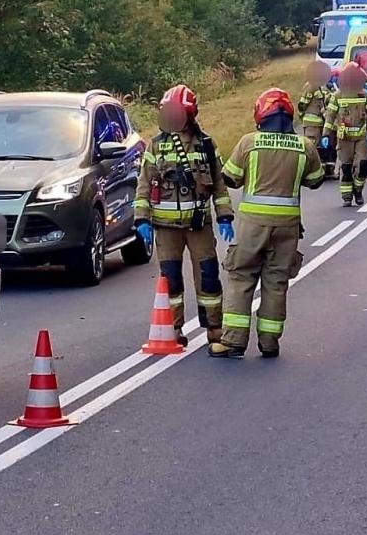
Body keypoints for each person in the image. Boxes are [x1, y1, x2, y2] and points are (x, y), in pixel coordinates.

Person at [211, 88, 326, 359]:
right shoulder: (304, 146)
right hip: (287, 228)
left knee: (241, 277)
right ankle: (270, 341)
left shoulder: (249, 143)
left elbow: (230, 178)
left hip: (253, 226)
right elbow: (316, 180)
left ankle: (233, 341)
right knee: (276, 282)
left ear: (260, 115)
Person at [133, 85, 233, 345]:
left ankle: (214, 329)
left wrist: (225, 215)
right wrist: (141, 219)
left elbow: (219, 185)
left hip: (199, 225)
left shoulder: (207, 145)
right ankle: (173, 330)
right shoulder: (155, 146)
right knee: (171, 279)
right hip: (166, 228)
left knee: (208, 275)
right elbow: (144, 184)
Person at [325, 62, 367, 207]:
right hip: (344, 138)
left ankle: (358, 190)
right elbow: (330, 116)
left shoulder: (364, 95)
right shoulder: (337, 95)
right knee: (346, 168)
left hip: (361, 138)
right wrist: (326, 135)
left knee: (362, 166)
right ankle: (347, 196)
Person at [297, 60, 335, 180]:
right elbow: (302, 105)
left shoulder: (324, 87)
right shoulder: (311, 86)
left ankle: (327, 171)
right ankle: (310, 173)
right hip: (312, 124)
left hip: (323, 123)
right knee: (311, 147)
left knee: (326, 148)